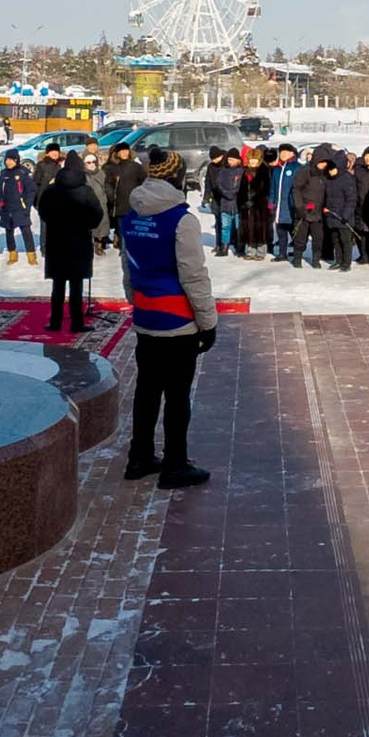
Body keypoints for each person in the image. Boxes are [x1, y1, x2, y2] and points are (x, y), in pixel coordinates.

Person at [120, 152, 218, 489]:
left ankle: (140, 457)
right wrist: (208, 322)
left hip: (146, 319)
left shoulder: (132, 216)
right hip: (178, 322)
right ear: (176, 176)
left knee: (146, 392)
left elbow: (128, 269)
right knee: (177, 396)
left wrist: (139, 303)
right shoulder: (181, 220)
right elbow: (193, 276)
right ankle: (175, 463)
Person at [37, 151, 106, 335]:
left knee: (57, 286)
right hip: (79, 243)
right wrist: (87, 226)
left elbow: (42, 211)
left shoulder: (52, 190)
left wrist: (53, 223)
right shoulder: (85, 191)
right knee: (76, 286)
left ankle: (55, 322)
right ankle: (77, 322)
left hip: (57, 242)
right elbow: (97, 214)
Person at [0, 150, 37, 265]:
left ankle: (31, 254)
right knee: (9, 232)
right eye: (7, 160)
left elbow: (31, 191)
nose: (8, 162)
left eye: (11, 160)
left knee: (26, 231)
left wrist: (27, 206)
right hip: (7, 208)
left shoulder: (23, 173)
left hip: (20, 207)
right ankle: (12, 253)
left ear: (16, 160)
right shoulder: (4, 174)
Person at [269, 143, 301, 265]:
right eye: (281, 152)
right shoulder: (277, 169)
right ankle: (282, 253)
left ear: (293, 154)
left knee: (295, 231)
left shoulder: (298, 168)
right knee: (280, 231)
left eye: (286, 152)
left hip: (292, 205)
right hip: (279, 206)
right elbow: (273, 188)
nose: (283, 154)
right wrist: (271, 202)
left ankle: (298, 253)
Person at [207, 148, 243, 256]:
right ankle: (224, 247)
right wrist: (226, 193)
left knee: (238, 226)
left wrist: (235, 193)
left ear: (238, 160)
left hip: (237, 203)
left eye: (233, 160)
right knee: (225, 226)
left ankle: (239, 247)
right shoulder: (223, 171)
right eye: (229, 159)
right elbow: (218, 184)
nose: (230, 162)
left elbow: (243, 185)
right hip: (225, 202)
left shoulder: (241, 171)